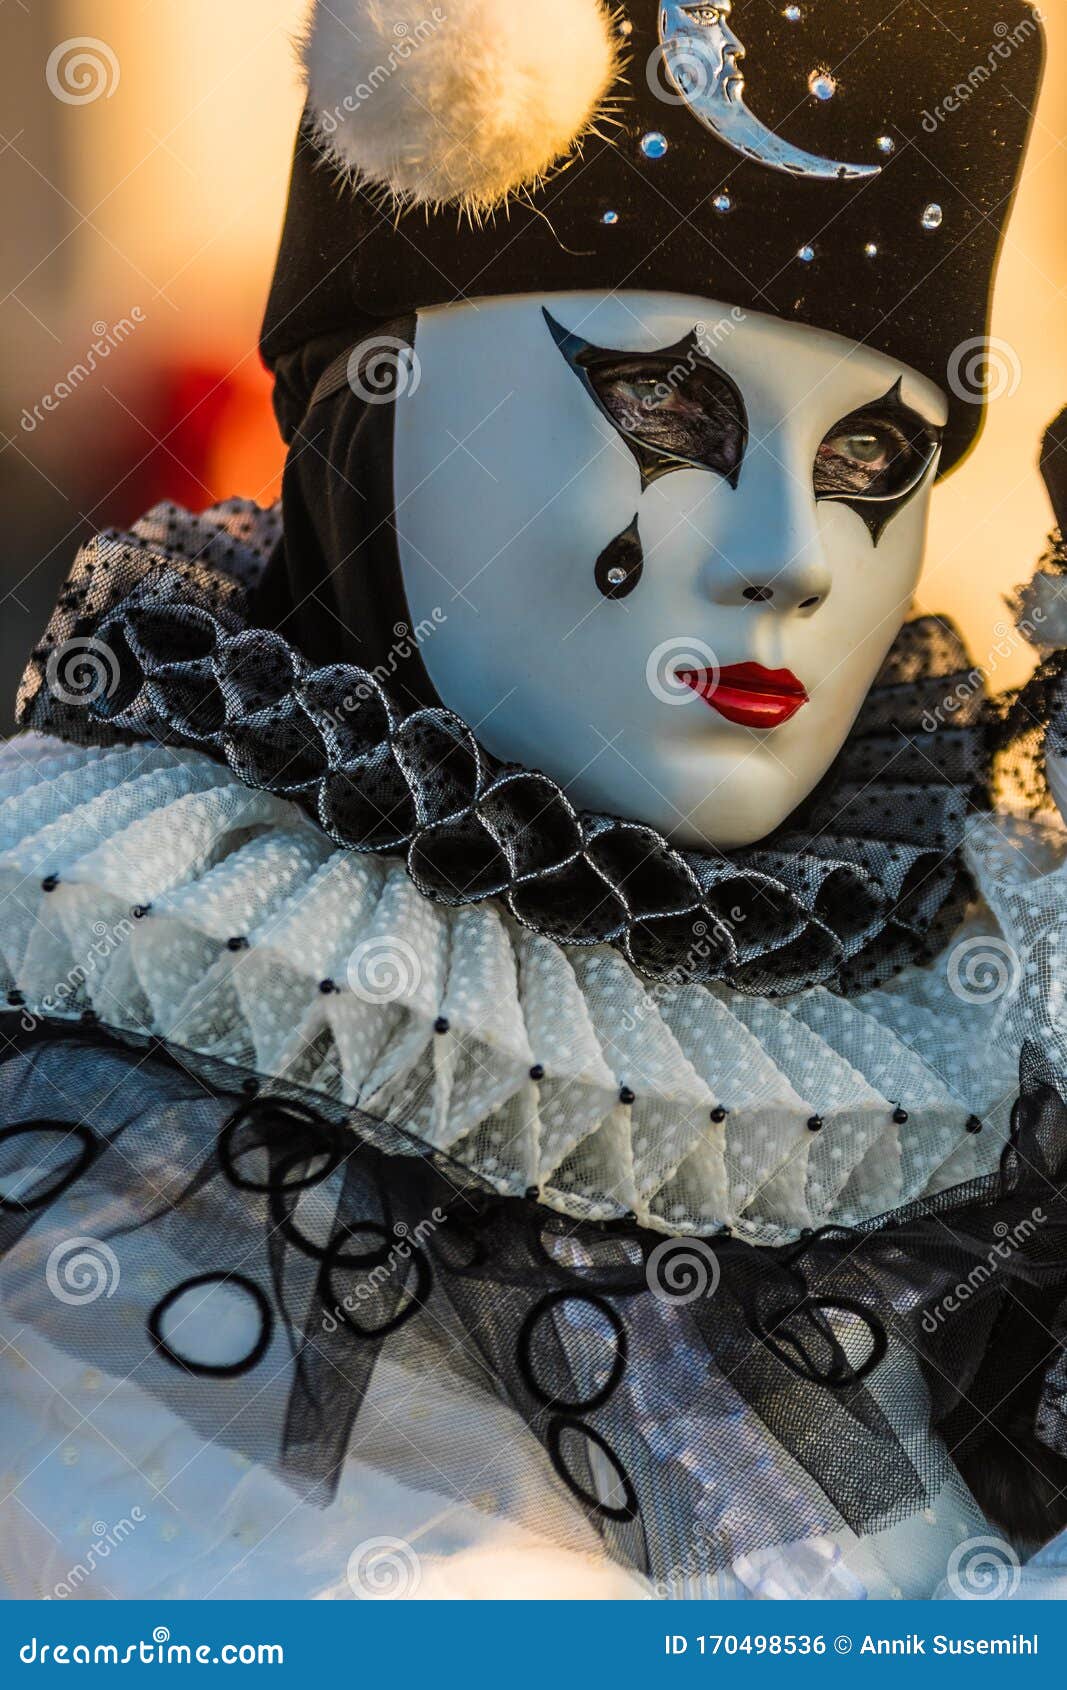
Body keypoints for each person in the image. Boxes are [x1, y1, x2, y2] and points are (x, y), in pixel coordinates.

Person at [2, 0, 1066, 1601]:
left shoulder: (982, 1068)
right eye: (666, 413)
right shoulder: (125, 1140)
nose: (784, 549)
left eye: (870, 465)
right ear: (371, 400)